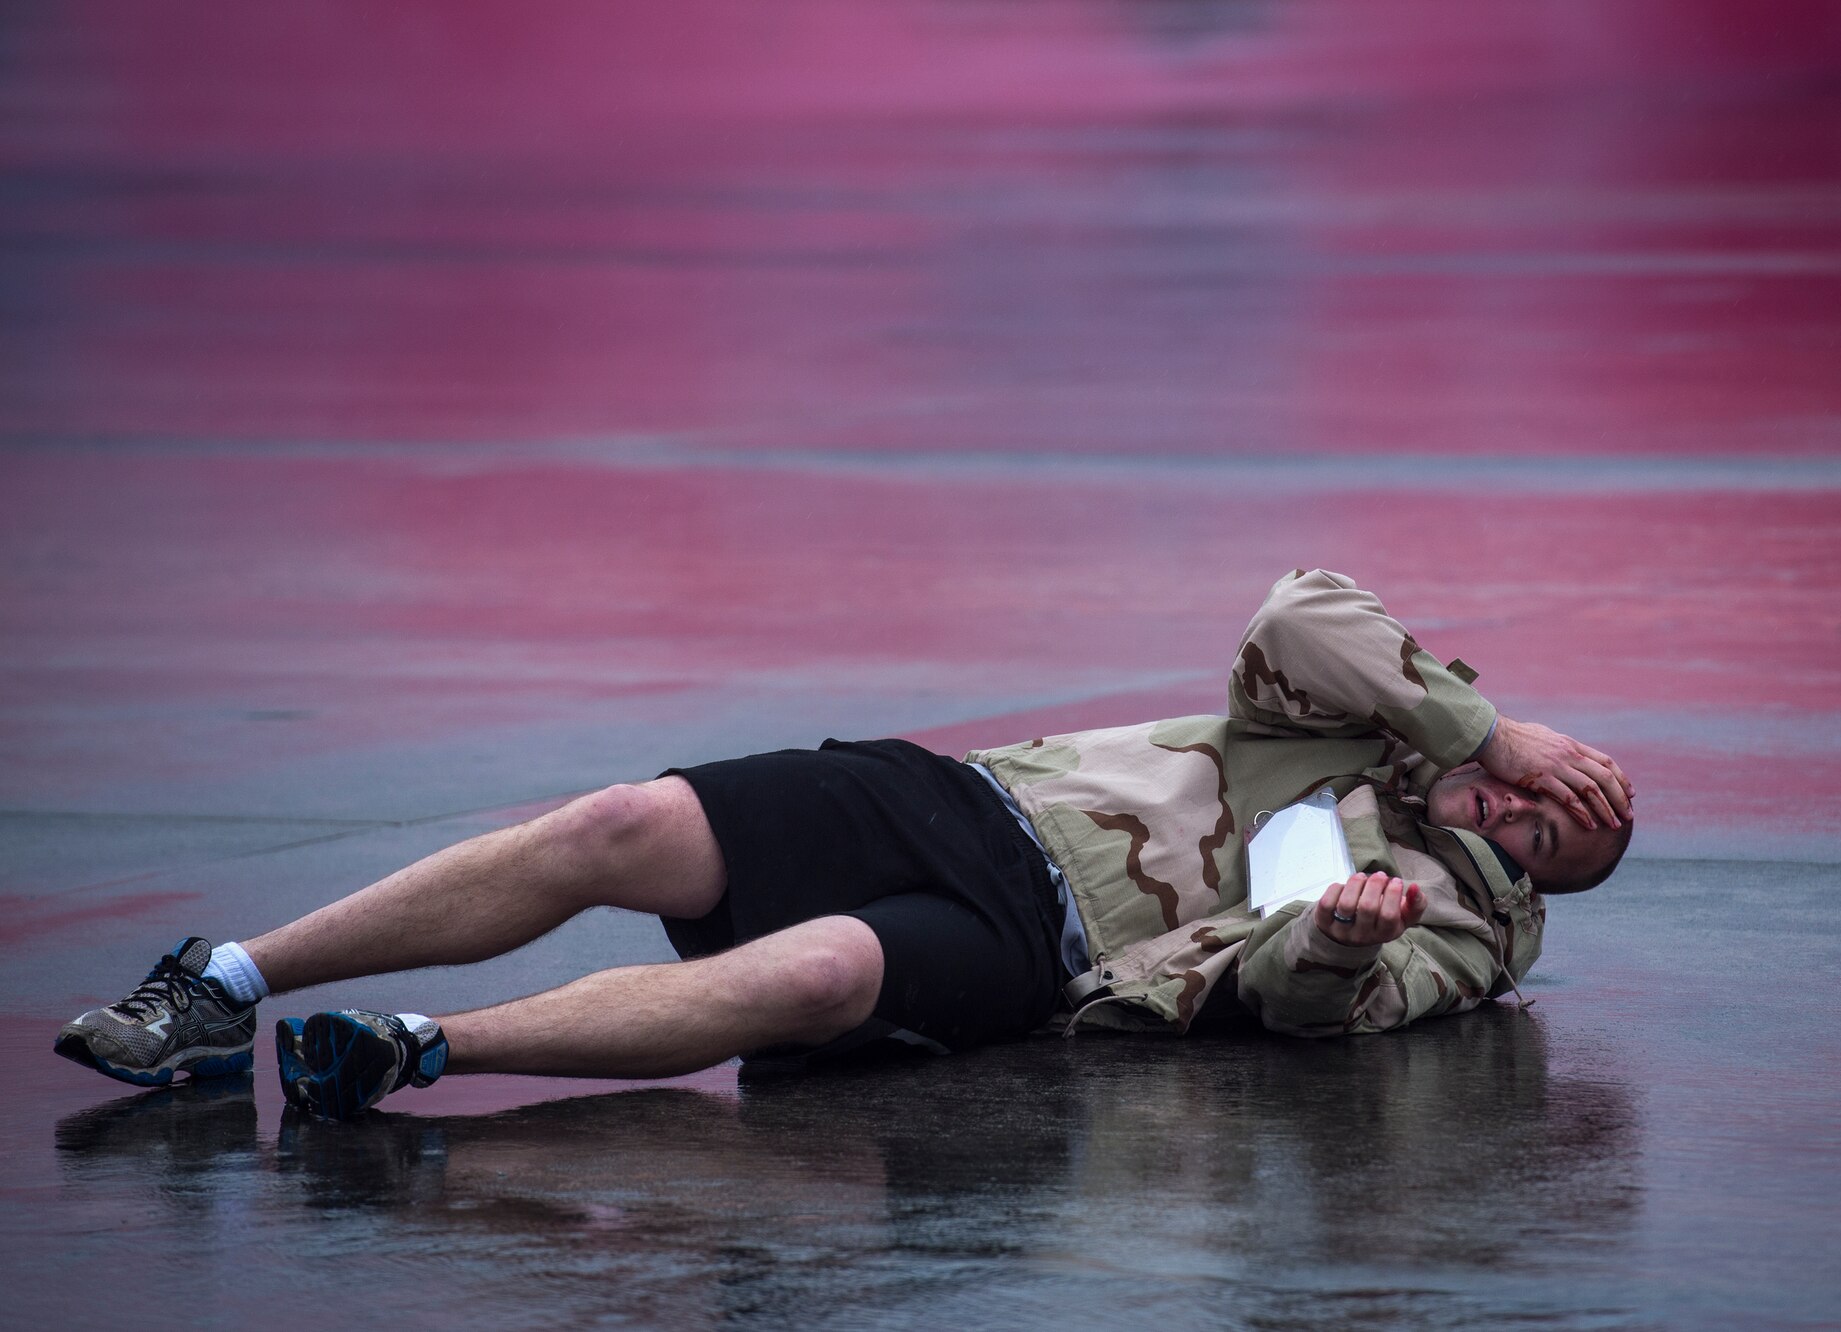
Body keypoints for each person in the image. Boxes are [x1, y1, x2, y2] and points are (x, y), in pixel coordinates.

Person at [55, 569, 1634, 1120]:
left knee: (813, 973)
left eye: (1543, 841)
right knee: (623, 822)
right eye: (1531, 786)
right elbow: (1299, 608)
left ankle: (404, 1051)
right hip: (958, 796)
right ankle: (222, 985)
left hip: (1051, 952)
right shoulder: (1381, 723)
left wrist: (1337, 942)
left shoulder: (1476, 933)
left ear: (1543, 889)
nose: (1512, 816)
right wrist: (1478, 723)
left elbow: (1314, 1012)